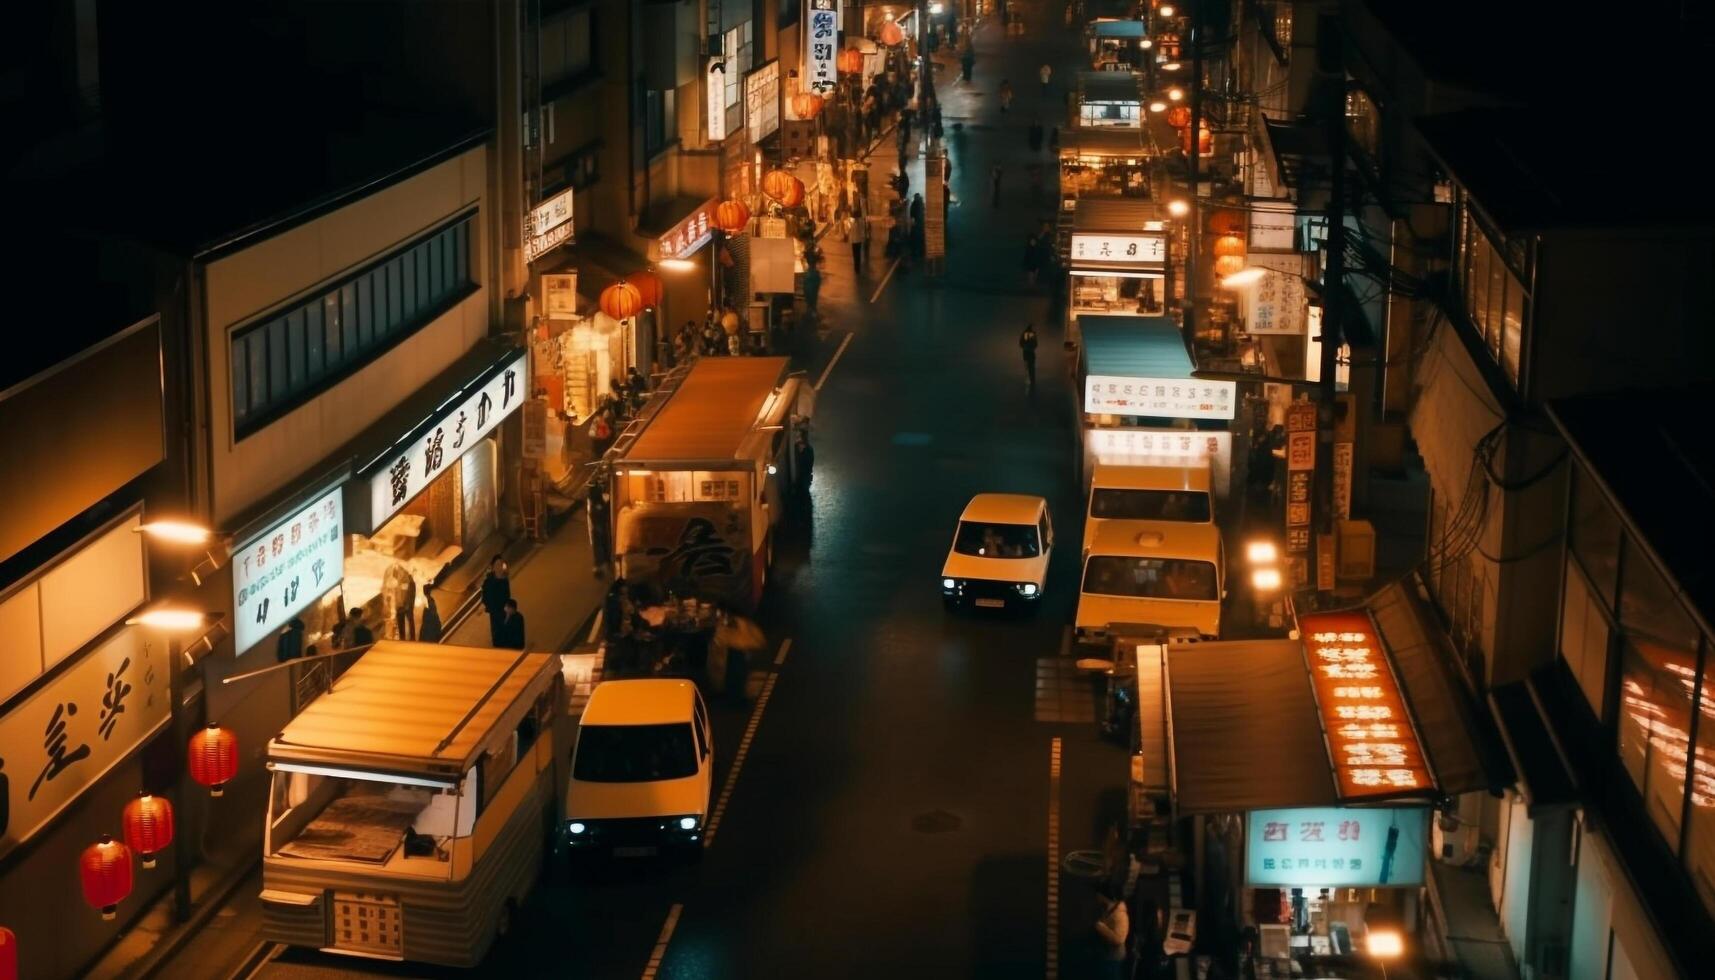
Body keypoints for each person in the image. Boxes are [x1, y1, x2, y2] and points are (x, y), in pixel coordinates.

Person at [1094, 886, 1130, 976]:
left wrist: (1100, 927)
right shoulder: (1108, 910)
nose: (1098, 900)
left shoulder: (1120, 914)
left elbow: (1119, 939)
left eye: (1099, 897)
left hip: (1114, 958)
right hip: (1107, 955)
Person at [481, 555, 511, 646]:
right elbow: (485, 595)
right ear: (493, 567)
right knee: (496, 628)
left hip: (503, 609)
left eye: (500, 565)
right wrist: (488, 605)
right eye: (497, 565)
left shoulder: (504, 580)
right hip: (494, 610)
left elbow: (507, 594)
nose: (499, 567)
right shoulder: (489, 581)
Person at [588, 481, 613, 575]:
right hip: (601, 525)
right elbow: (603, 512)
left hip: (598, 526)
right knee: (603, 544)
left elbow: (595, 514)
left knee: (599, 545)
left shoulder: (595, 504)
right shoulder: (600, 503)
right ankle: (605, 563)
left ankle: (600, 564)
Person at [848, 208, 870, 272]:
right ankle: (857, 267)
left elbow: (848, 229)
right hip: (858, 240)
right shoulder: (860, 221)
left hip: (854, 240)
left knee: (855, 254)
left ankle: (856, 267)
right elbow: (862, 230)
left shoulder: (852, 220)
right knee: (858, 253)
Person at [1019, 323, 1039, 390]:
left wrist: (1025, 346)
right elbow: (1036, 344)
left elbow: (1021, 343)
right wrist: (1032, 347)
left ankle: (1028, 379)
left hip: (1025, 352)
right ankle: (1032, 379)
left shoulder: (1024, 334)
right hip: (1031, 352)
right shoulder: (1033, 334)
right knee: (1031, 366)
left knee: (1027, 366)